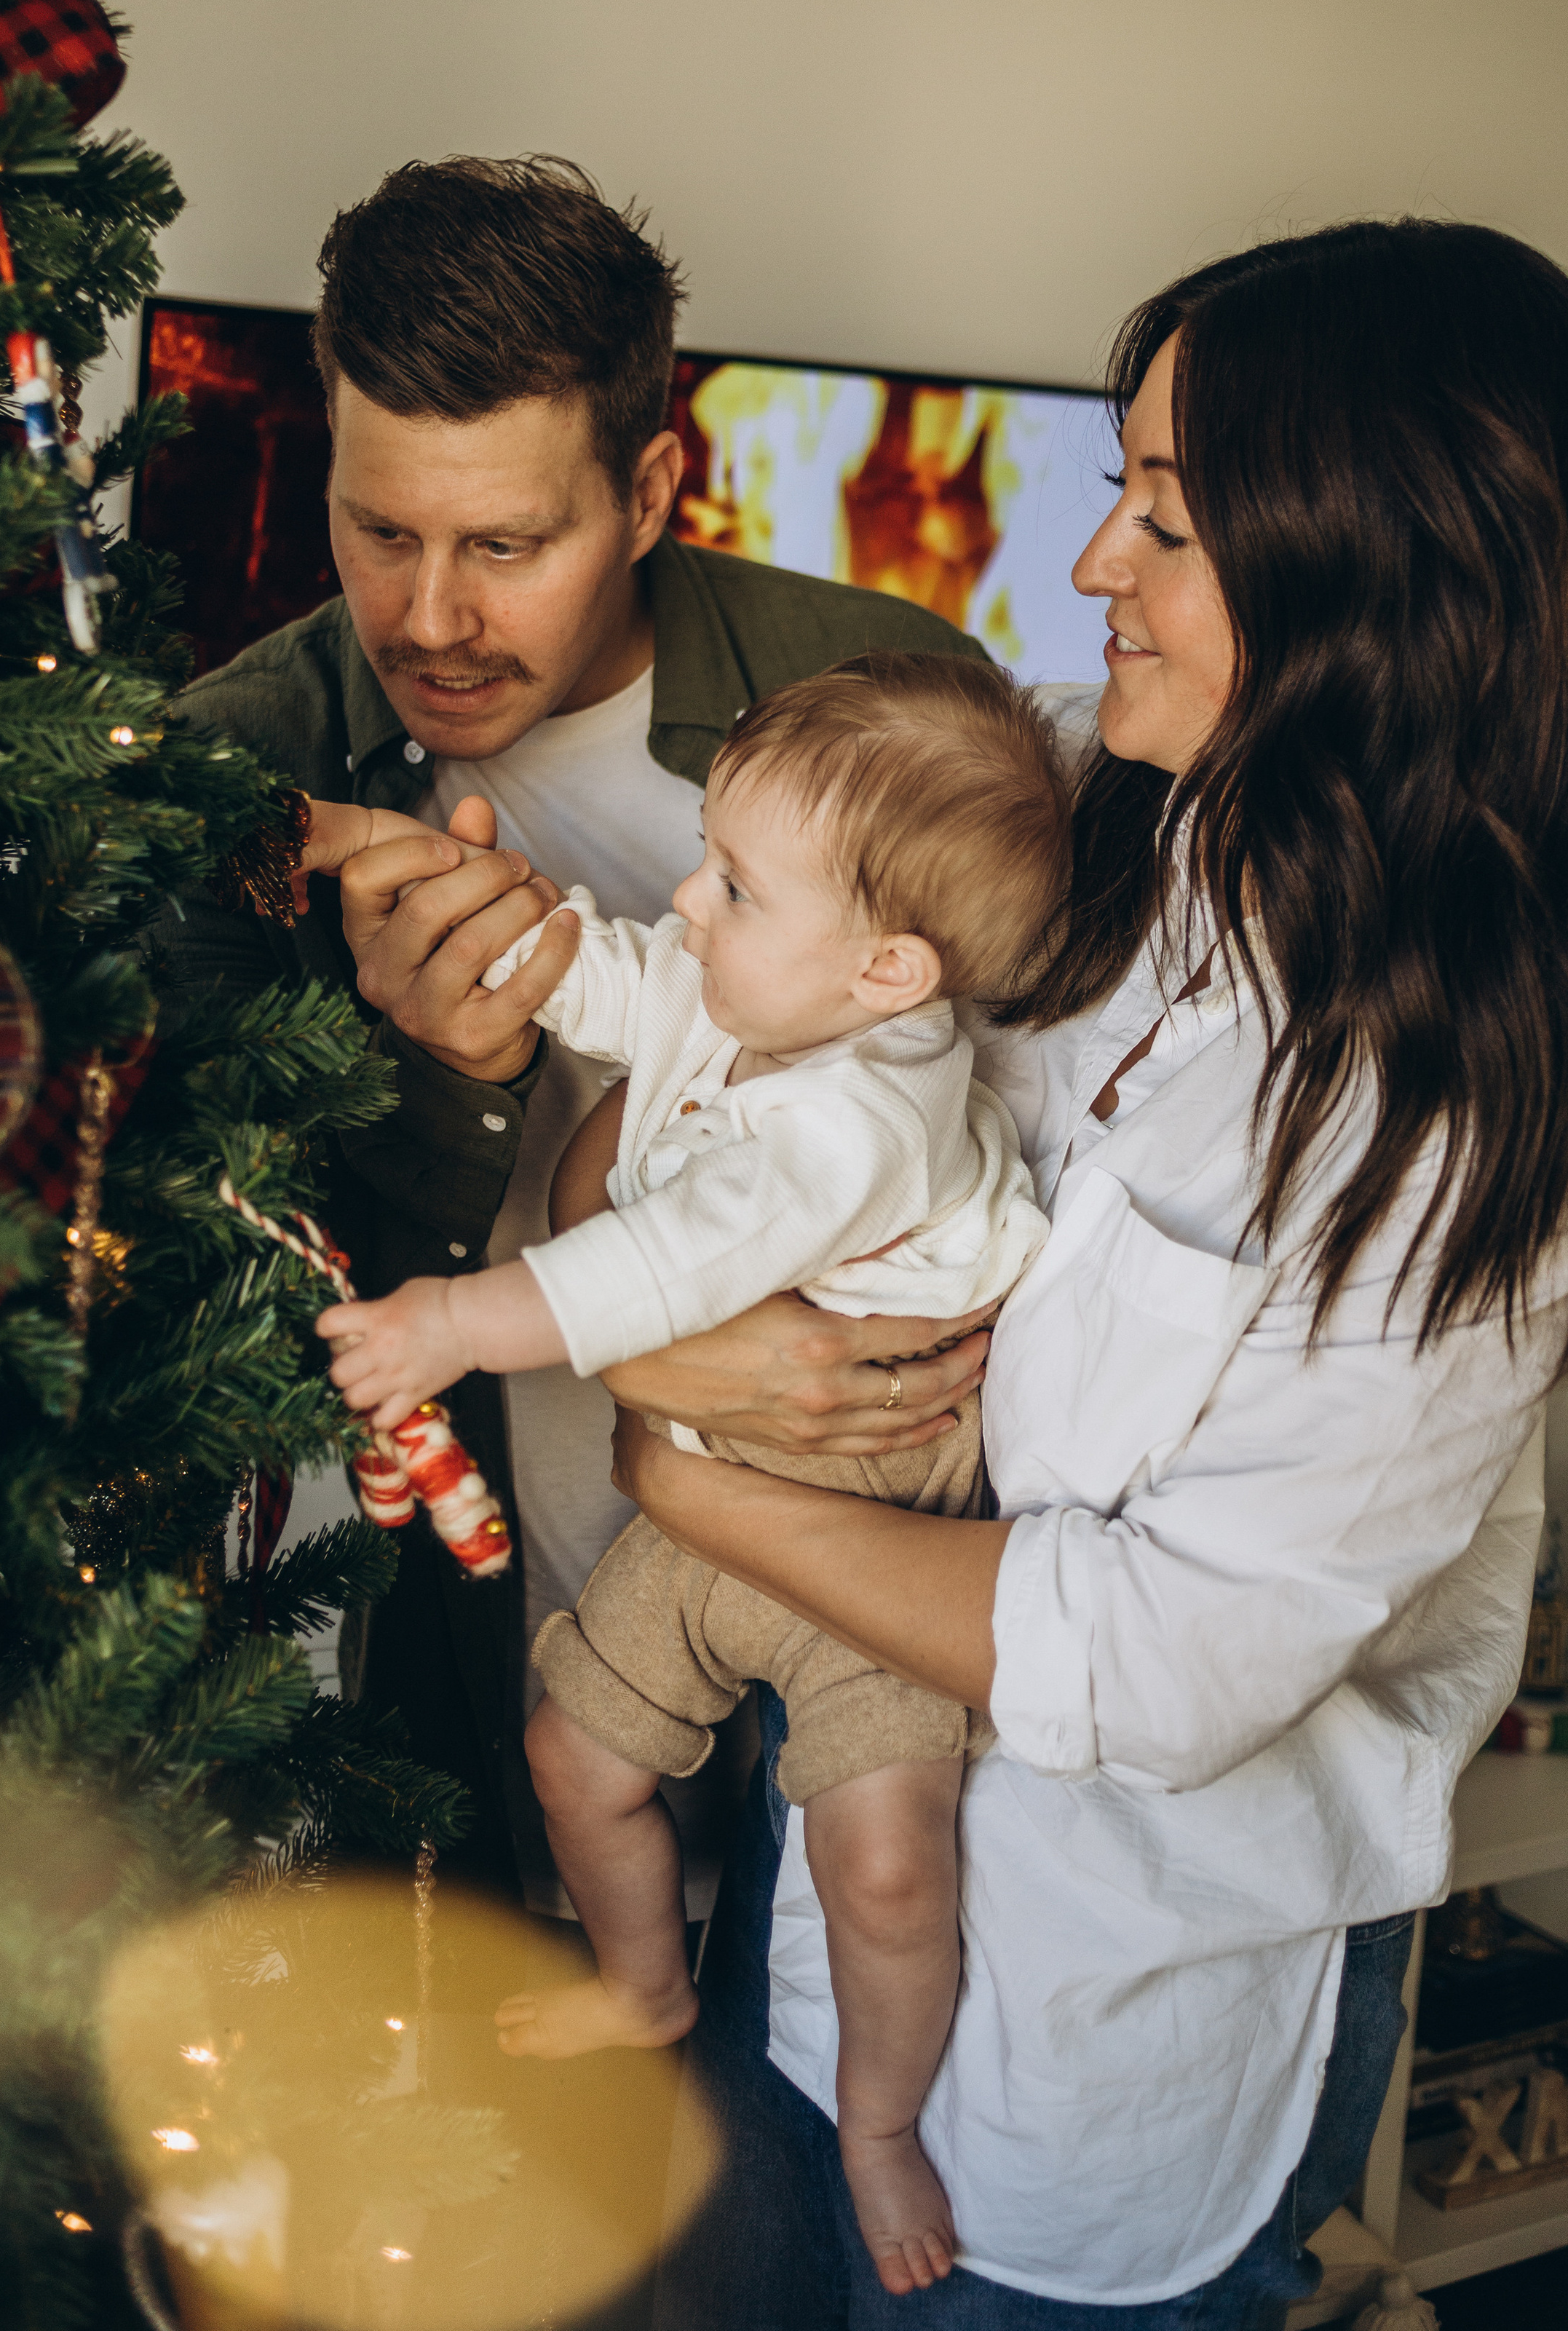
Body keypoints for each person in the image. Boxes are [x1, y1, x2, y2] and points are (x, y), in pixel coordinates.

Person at [358, 219, 1568, 2321]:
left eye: (1161, 522)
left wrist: (701, 1476)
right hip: (821, 1830)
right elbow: (709, 1073)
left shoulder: (1454, 1153)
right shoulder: (1051, 792)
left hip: (1092, 2030)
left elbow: (1156, 1667)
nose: (1093, 575)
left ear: (1372, 578)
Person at [147, 154, 982, 1899]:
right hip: (484, 1651)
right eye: (381, 531)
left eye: (505, 545)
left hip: (884, 1598)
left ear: (654, 485)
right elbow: (210, 1298)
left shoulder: (895, 711)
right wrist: (461, 1088)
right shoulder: (236, 772)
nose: (432, 618)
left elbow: (1020, 1140)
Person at [303, 654, 1064, 2296]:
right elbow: (590, 965)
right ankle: (645, 1984)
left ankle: (874, 2124)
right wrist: (370, 846)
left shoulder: (857, 1119)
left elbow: (655, 1267)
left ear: (887, 968)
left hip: (860, 1534)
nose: (687, 900)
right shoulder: (752, 1007)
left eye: (731, 882)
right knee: (572, 1760)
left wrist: (447, 1319)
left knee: (883, 1866)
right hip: (712, 1491)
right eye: (706, 861)